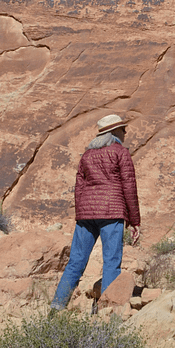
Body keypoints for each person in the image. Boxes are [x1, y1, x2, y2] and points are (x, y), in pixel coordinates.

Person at [51, 114, 141, 309]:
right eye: (123, 130)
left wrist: (81, 212)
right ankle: (106, 310)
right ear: (115, 132)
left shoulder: (87, 155)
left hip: (86, 215)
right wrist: (135, 221)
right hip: (112, 211)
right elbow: (129, 187)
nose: (125, 133)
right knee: (111, 262)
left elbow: (79, 187)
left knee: (75, 262)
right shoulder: (120, 152)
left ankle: (56, 307)